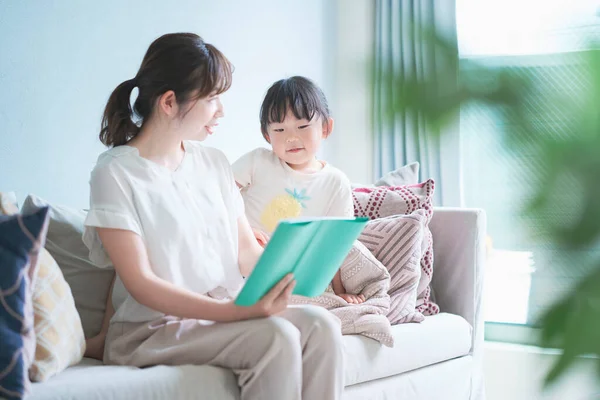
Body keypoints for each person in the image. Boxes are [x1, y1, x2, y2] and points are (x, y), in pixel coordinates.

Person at [82, 33, 344, 400]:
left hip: (216, 315)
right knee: (277, 338)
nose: (221, 111)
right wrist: (233, 312)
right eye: (212, 99)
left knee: (322, 328)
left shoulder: (214, 163)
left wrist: (294, 265)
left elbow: (246, 254)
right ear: (170, 102)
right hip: (151, 329)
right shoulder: (115, 173)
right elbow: (139, 281)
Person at [233, 76, 365, 304]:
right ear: (267, 135)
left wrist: (339, 291)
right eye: (280, 129)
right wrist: (240, 229)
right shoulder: (257, 162)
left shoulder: (335, 182)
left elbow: (333, 244)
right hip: (244, 267)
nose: (291, 137)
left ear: (326, 128)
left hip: (295, 278)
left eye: (302, 126)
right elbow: (217, 195)